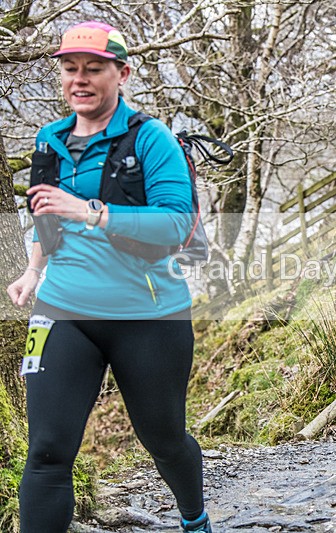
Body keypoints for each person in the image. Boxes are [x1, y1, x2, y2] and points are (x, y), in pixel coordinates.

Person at [6, 22, 212, 533]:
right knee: (48, 450)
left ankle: (194, 517)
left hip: (147, 314)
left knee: (164, 439)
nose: (80, 78)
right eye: (70, 68)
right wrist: (33, 270)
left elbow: (175, 222)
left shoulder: (152, 139)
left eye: (93, 68)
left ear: (121, 73)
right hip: (62, 310)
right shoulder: (48, 139)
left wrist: (92, 212)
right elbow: (45, 215)